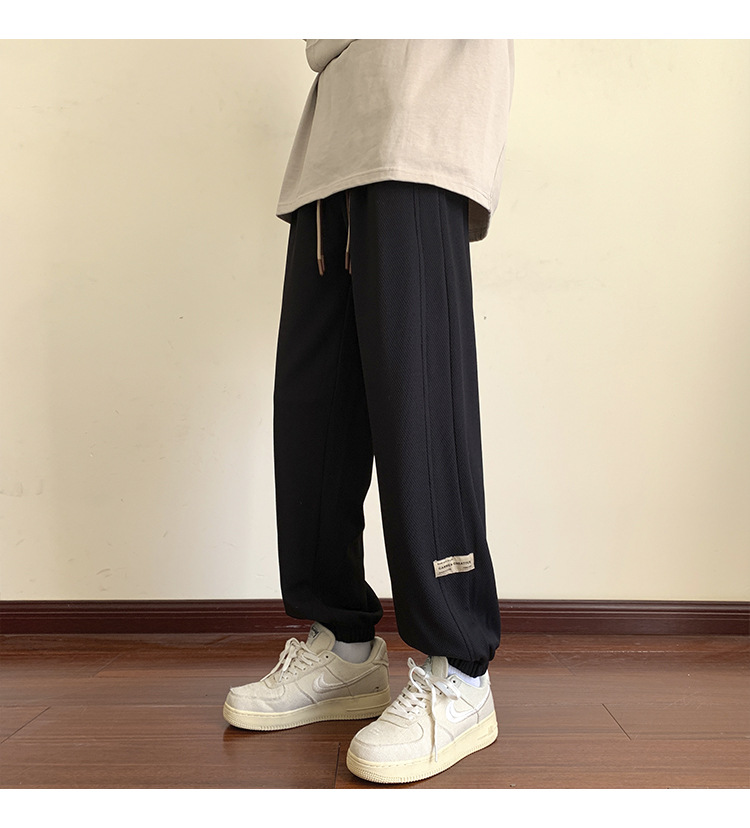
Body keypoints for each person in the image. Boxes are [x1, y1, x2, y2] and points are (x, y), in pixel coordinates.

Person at [223, 39, 515, 784]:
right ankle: (343, 646)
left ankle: (459, 670)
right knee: (314, 409)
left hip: (417, 116)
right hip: (332, 148)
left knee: (420, 404)